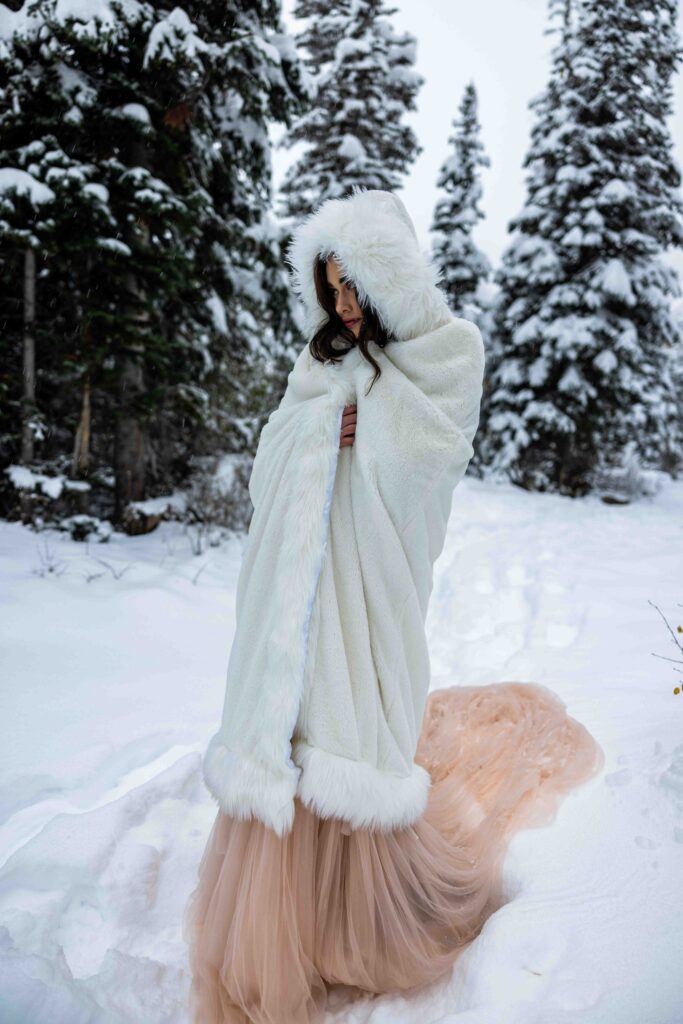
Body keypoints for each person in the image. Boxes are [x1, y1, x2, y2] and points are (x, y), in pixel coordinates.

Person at [183, 187, 604, 1024]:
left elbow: (432, 456)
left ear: (392, 276)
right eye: (331, 286)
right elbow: (274, 454)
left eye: (356, 284)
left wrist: (361, 426)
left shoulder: (448, 351)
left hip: (367, 575)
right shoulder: (321, 356)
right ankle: (292, 919)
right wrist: (314, 434)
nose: (343, 303)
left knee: (352, 721)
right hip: (299, 588)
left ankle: (353, 922)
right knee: (297, 726)